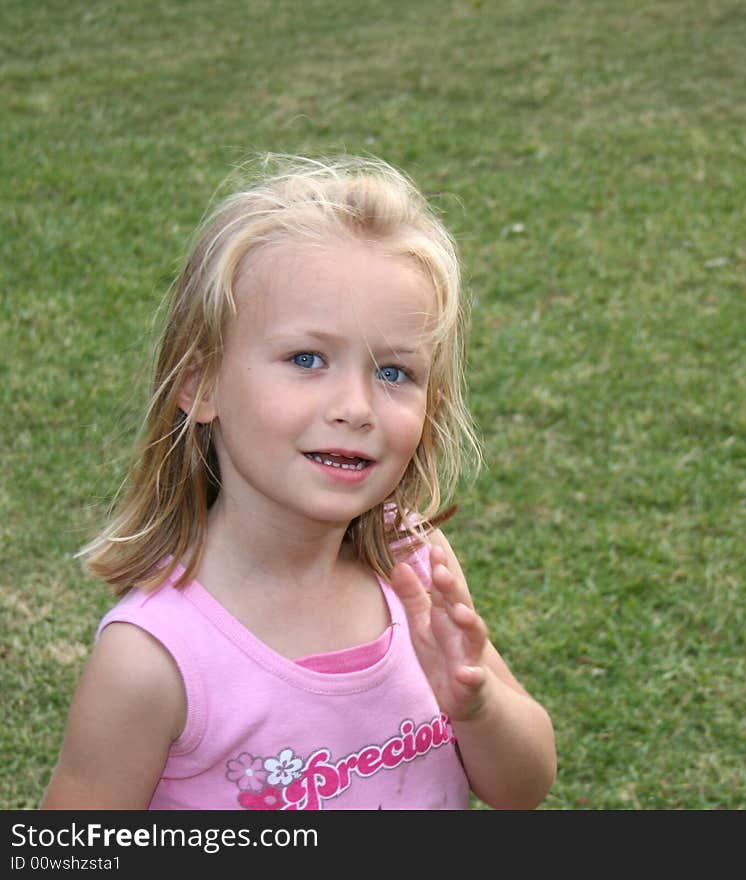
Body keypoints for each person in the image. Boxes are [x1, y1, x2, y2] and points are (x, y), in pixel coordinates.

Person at [42, 155, 556, 811]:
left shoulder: (413, 565)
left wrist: (476, 703)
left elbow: (526, 787)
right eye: (306, 359)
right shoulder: (154, 658)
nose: (356, 406)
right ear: (200, 384)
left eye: (394, 372)